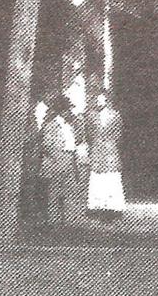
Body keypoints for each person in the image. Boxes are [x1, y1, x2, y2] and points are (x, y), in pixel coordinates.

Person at [39, 95, 83, 226]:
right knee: (54, 190)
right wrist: (57, 158)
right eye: (67, 109)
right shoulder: (52, 125)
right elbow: (47, 145)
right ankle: (53, 220)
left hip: (69, 158)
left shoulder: (70, 125)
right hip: (56, 158)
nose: (70, 112)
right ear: (61, 111)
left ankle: (66, 220)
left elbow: (78, 140)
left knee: (67, 190)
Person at [86, 91, 125, 222]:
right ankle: (98, 207)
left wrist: (109, 142)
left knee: (110, 178)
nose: (99, 101)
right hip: (97, 150)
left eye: (101, 99)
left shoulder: (116, 115)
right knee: (98, 178)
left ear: (108, 100)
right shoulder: (92, 116)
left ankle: (111, 208)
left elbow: (118, 133)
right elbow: (90, 133)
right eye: (98, 99)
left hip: (110, 151)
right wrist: (97, 142)